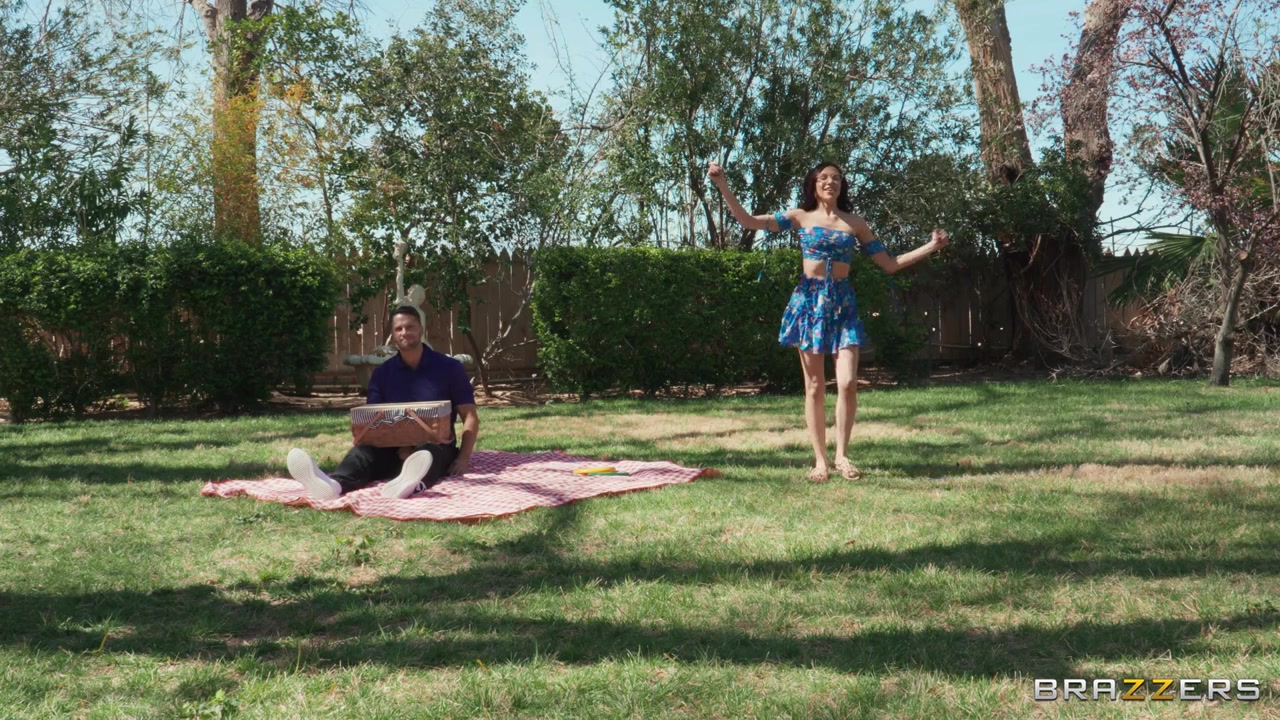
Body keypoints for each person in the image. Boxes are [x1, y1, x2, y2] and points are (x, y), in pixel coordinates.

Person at [708, 160, 948, 482]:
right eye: (823, 177)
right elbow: (748, 221)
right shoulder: (800, 217)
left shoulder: (855, 223)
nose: (830, 182)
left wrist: (931, 246)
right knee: (815, 386)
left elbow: (889, 264)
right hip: (809, 304)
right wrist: (722, 184)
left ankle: (842, 456)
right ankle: (820, 461)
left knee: (847, 383)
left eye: (836, 178)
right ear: (814, 183)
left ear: (842, 185)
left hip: (843, 306)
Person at [286, 306, 480, 499]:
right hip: (391, 450)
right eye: (398, 329)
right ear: (393, 335)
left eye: (410, 327)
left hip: (436, 447)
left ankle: (409, 484)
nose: (404, 332)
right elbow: (374, 423)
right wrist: (401, 449)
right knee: (362, 452)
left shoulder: (450, 368)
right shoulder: (382, 374)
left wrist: (463, 458)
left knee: (428, 454)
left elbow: (469, 416)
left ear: (421, 329)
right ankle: (334, 485)